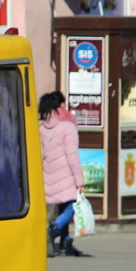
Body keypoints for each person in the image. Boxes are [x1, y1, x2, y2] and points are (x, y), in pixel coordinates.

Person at [38, 91, 88, 257]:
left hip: (48, 172)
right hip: (65, 171)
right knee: (72, 206)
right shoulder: (68, 126)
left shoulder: (41, 126)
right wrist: (79, 181)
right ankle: (54, 230)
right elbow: (72, 155)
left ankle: (65, 244)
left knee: (62, 205)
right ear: (60, 105)